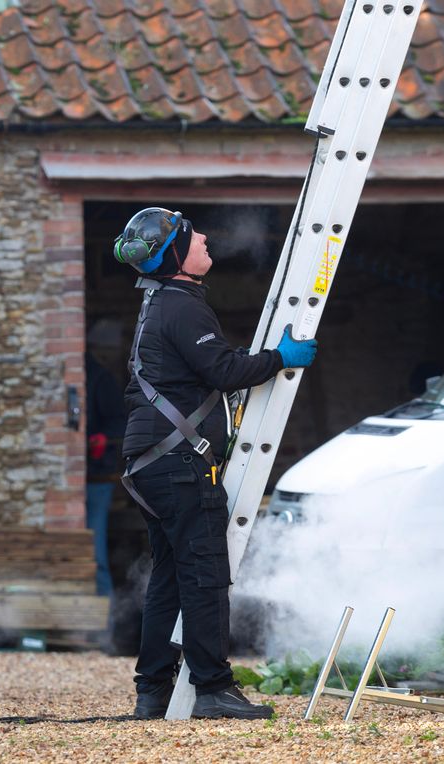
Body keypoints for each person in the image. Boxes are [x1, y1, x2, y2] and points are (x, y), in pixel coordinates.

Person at [113, 207, 318, 720]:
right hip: (179, 464)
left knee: (169, 578)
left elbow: (204, 367)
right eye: (190, 235)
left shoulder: (163, 303)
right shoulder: (181, 306)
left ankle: (153, 690)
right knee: (204, 574)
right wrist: (279, 359)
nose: (203, 237)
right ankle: (212, 688)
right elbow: (223, 370)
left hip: (153, 463)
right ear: (177, 256)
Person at [85, 338, 127, 598]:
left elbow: (121, 423)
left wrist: (103, 437)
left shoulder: (99, 379)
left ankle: (103, 632)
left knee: (95, 553)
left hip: (97, 477)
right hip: (72, 481)